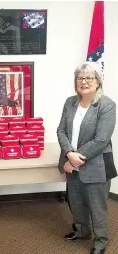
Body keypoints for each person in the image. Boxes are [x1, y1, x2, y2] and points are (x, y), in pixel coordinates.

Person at [57, 62, 117, 254]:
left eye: (89, 78)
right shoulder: (70, 102)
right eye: (80, 78)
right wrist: (68, 153)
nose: (84, 82)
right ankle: (82, 231)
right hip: (71, 162)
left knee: (97, 207)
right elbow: (61, 130)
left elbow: (101, 139)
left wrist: (75, 158)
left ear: (97, 82)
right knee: (76, 201)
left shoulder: (106, 105)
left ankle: (101, 241)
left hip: (96, 165)